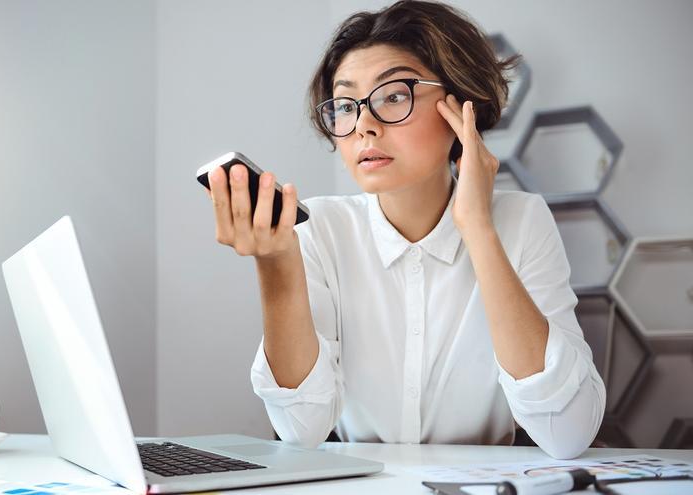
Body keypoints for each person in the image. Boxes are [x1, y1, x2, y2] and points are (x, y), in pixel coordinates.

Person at [203, 0, 604, 460]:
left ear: (462, 108)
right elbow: (301, 429)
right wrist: (275, 265)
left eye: (393, 95)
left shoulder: (522, 221)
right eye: (346, 105)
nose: (364, 127)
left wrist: (477, 228)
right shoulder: (320, 229)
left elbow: (568, 433)